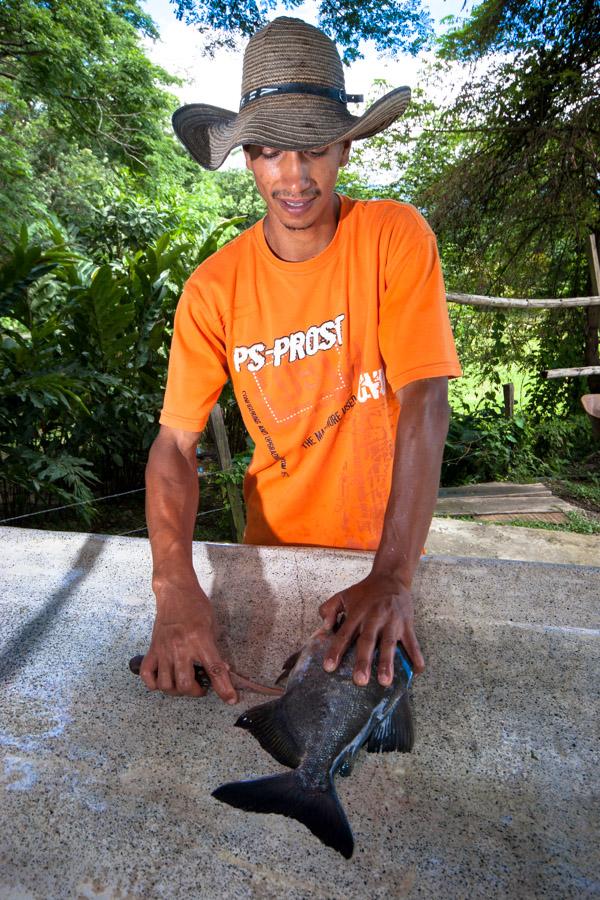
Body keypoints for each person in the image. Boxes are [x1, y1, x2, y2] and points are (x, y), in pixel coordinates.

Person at [140, 16, 461, 705]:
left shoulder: (393, 237)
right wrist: (174, 585)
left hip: (386, 563)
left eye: (312, 146)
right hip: (272, 557)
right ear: (248, 158)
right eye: (268, 150)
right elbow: (173, 442)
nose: (293, 176)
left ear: (344, 146)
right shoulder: (213, 289)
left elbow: (425, 398)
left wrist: (394, 574)